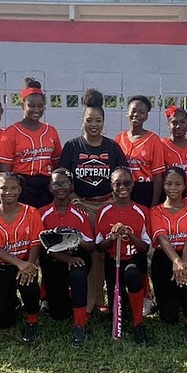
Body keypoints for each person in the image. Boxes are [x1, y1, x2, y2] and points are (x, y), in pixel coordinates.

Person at [59, 88, 128, 316]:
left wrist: (117, 202)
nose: (94, 124)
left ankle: (102, 299)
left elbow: (124, 176)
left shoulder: (112, 147)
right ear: (82, 121)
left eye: (98, 120)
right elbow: (62, 177)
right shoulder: (72, 146)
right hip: (83, 205)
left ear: (104, 122)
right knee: (88, 252)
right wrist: (73, 198)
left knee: (104, 253)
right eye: (89, 120)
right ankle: (87, 300)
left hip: (107, 204)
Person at [0, 172, 43, 342]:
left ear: (20, 189)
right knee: (4, 322)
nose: (9, 192)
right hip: (0, 266)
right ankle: (11, 302)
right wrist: (19, 264)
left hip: (25, 262)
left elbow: (36, 242)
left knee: (29, 283)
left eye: (13, 188)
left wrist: (29, 265)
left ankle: (32, 320)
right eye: (4, 188)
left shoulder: (32, 212)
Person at [39, 168, 95, 347]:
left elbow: (91, 246)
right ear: (50, 188)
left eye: (64, 183)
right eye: (56, 183)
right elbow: (42, 246)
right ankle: (57, 298)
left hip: (77, 257)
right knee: (59, 314)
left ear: (71, 186)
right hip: (54, 259)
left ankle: (79, 324)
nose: (60, 187)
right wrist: (66, 258)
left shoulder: (80, 212)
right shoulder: (42, 213)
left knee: (78, 273)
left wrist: (76, 238)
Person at [95, 167, 151, 346]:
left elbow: (144, 247)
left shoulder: (142, 210)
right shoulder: (103, 211)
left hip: (134, 259)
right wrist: (111, 237)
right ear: (111, 186)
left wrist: (130, 234)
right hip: (113, 262)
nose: (122, 187)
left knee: (132, 275)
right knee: (116, 309)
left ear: (133, 184)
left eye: (126, 183)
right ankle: (123, 310)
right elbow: (99, 247)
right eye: (117, 183)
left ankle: (138, 323)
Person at [150, 167, 187, 342]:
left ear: (185, 185)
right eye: (168, 183)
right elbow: (162, 238)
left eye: (178, 184)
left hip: (186, 256)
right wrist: (176, 261)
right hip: (164, 258)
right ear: (163, 186)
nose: (173, 187)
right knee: (168, 318)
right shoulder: (155, 211)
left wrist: (183, 264)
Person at [0, 78, 62, 208]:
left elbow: (56, 163)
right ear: (22, 105)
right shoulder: (11, 132)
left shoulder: (51, 131)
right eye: (31, 105)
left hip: (46, 186)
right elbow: (5, 170)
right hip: (22, 185)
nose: (36, 110)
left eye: (40, 106)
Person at [115, 95, 165, 208]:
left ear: (146, 116)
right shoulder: (119, 139)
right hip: (123, 189)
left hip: (144, 190)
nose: (136, 114)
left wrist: (154, 204)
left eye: (141, 112)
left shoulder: (153, 140)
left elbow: (158, 176)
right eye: (133, 111)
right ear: (127, 113)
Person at [161, 105, 187, 184]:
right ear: (168, 125)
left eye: (182, 122)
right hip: (170, 192)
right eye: (174, 123)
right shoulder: (161, 146)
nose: (179, 126)